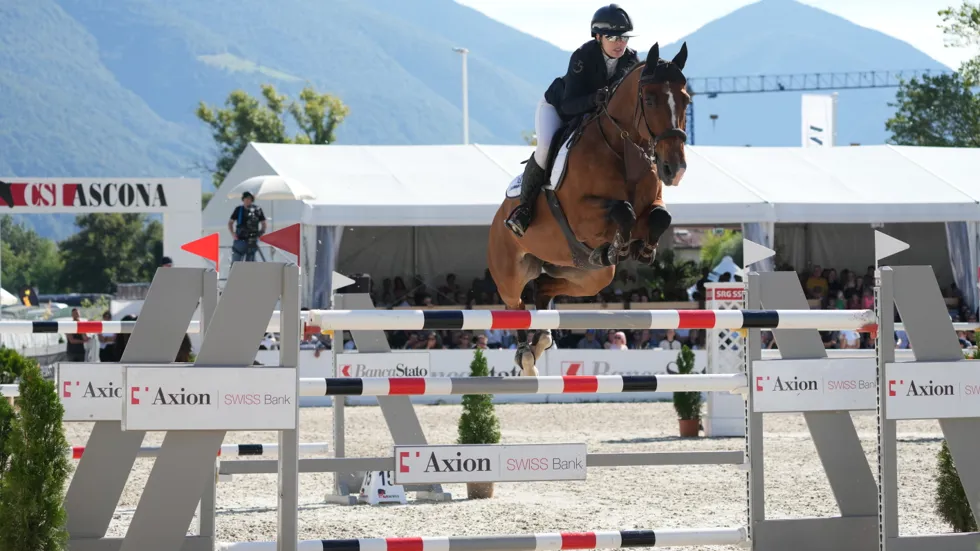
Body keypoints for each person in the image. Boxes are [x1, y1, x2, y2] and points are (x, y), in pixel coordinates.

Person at [505, 3, 640, 238]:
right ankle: (524, 209)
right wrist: (595, 99)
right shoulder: (583, 57)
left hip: (595, 118)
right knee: (546, 147)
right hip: (558, 108)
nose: (620, 43)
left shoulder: (631, 61)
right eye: (613, 37)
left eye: (624, 37)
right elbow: (569, 105)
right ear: (598, 37)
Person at [228, 191, 267, 262]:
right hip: (240, 239)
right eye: (246, 198)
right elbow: (230, 223)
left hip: (252, 239)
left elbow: (264, 223)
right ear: (243, 199)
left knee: (250, 263)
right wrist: (233, 234)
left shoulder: (257, 210)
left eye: (249, 199)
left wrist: (260, 233)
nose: (247, 200)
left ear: (252, 200)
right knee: (236, 262)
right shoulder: (238, 209)